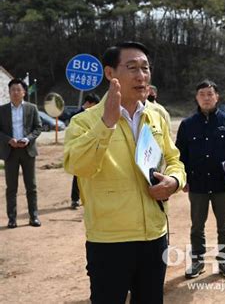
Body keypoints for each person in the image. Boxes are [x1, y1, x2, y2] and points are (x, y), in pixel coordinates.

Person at [63, 41, 186, 303]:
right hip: (109, 241)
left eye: (145, 68)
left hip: (154, 236)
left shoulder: (157, 115)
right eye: (132, 68)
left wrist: (174, 181)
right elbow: (77, 165)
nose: (141, 75)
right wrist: (106, 123)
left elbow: (174, 159)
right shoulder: (83, 121)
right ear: (110, 74)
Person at [176, 79, 225, 279]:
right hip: (197, 183)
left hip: (222, 183)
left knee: (224, 224)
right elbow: (180, 153)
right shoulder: (187, 125)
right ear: (196, 98)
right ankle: (197, 260)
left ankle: (224, 260)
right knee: (197, 224)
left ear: (217, 97)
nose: (206, 98)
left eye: (210, 94)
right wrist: (183, 178)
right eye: (202, 94)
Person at [0, 78, 42, 228]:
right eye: (13, 90)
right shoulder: (2, 110)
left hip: (27, 151)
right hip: (10, 152)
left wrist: (27, 139)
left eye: (18, 90)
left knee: (31, 186)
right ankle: (12, 219)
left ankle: (34, 217)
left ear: (24, 92)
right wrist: (8, 139)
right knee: (11, 188)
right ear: (9, 92)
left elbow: (38, 127)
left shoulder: (32, 108)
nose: (15, 93)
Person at [69, 93, 100, 209]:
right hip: (80, 148)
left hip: (93, 147)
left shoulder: (96, 115)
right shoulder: (77, 115)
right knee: (77, 175)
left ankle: (89, 198)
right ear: (89, 104)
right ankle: (75, 199)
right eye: (94, 105)